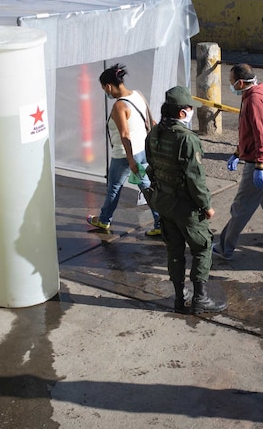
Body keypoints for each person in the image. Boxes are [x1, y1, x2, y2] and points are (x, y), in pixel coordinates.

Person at [146, 86, 226, 314]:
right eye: (190, 109)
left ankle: (180, 297)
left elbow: (151, 169)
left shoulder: (154, 134)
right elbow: (195, 179)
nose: (191, 112)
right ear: (182, 112)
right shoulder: (187, 140)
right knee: (202, 248)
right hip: (186, 207)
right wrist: (206, 206)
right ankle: (200, 298)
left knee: (174, 250)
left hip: (163, 202)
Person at [213, 63, 263, 261]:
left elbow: (261, 136)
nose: (231, 86)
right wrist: (237, 152)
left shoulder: (254, 101)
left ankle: (225, 247)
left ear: (241, 82)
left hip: (262, 164)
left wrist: (259, 165)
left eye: (232, 82)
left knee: (241, 207)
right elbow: (250, 134)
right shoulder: (254, 95)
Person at [86, 64, 161, 236]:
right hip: (142, 149)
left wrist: (131, 161)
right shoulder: (138, 94)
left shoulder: (119, 106)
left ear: (108, 86)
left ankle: (104, 220)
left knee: (114, 188)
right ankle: (160, 222)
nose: (106, 92)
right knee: (147, 187)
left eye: (104, 89)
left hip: (125, 155)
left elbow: (124, 135)